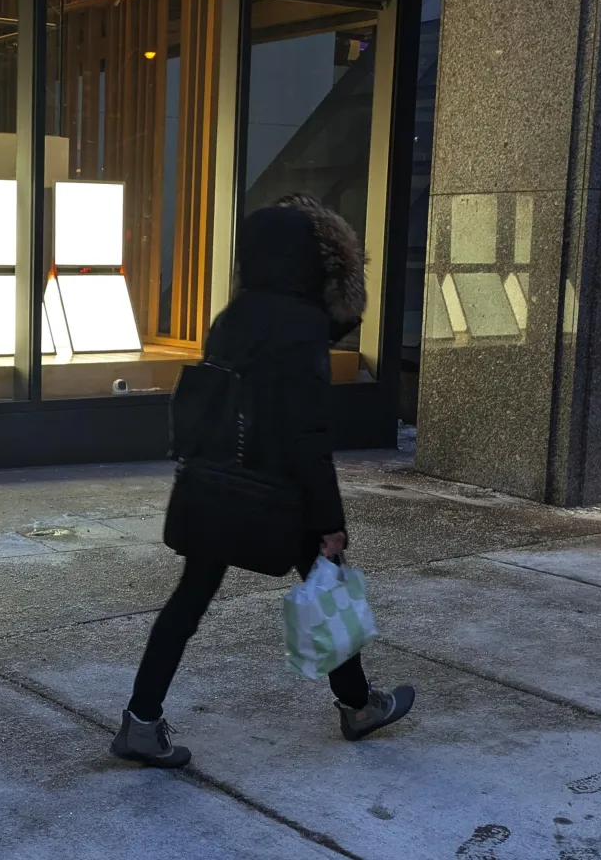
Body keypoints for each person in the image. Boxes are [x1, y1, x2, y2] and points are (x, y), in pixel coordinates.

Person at [111, 195, 415, 767]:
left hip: (214, 484)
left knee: (188, 601)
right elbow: (306, 431)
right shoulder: (302, 325)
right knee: (328, 581)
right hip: (278, 491)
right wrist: (330, 520)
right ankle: (357, 706)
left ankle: (141, 722)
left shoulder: (233, 317)